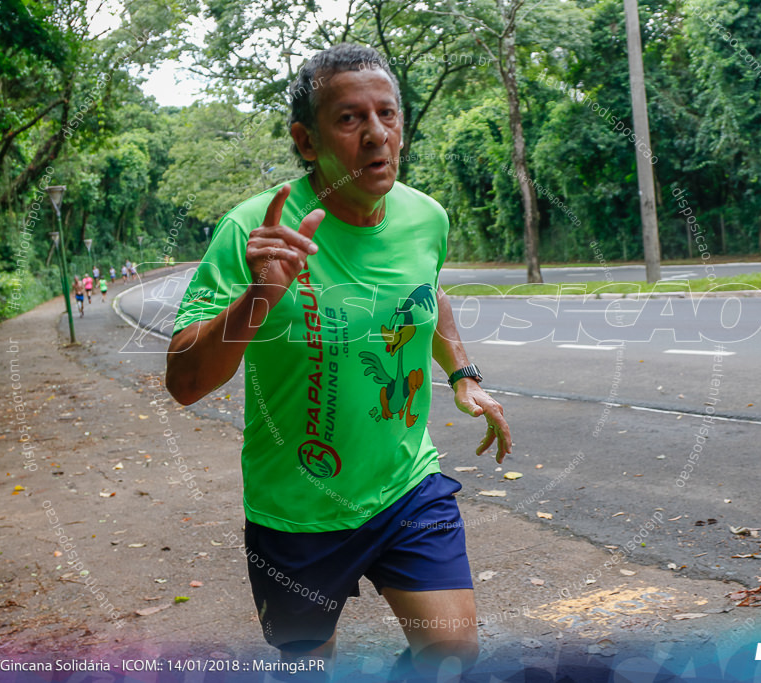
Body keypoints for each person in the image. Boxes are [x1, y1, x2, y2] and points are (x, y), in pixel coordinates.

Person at [166, 43, 511, 680]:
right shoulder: (252, 231)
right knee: (306, 667)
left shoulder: (424, 217)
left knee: (453, 651)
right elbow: (184, 382)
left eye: (388, 114)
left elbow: (426, 289)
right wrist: (261, 294)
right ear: (306, 140)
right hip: (297, 512)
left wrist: (462, 374)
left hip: (407, 485)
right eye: (350, 119)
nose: (377, 134)